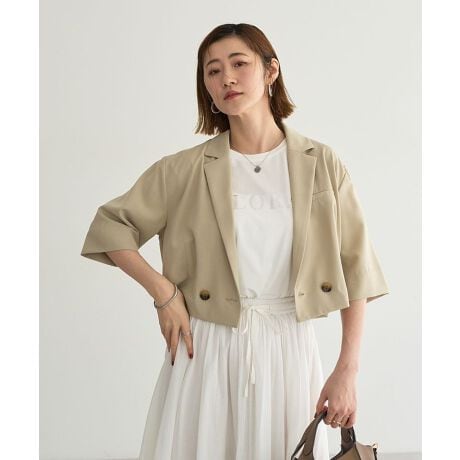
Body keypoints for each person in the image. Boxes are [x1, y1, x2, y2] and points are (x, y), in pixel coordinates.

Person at [81, 23, 389, 460]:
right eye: (213, 70)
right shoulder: (183, 169)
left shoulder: (321, 163)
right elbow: (111, 226)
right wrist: (164, 294)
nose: (226, 77)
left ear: (270, 71)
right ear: (206, 87)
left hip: (290, 349)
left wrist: (347, 370)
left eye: (239, 64)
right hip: (205, 351)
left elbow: (356, 269)